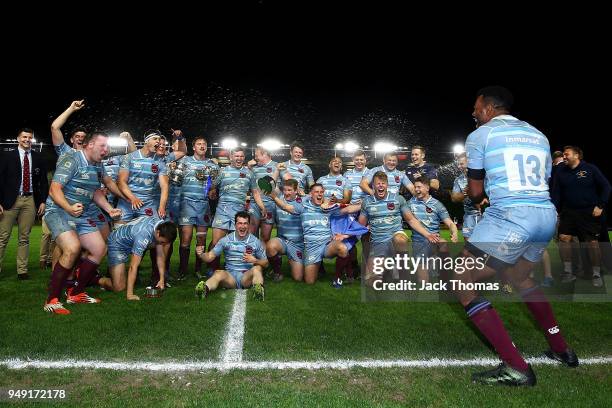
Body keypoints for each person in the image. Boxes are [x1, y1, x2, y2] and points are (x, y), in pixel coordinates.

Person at [457, 86, 577, 386]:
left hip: (511, 217)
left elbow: (474, 191)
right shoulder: (539, 135)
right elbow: (541, 180)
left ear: (488, 108)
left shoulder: (480, 136)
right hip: (545, 216)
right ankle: (562, 349)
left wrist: (480, 200)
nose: (473, 113)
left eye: (476, 107)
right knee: (520, 278)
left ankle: (516, 367)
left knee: (460, 278)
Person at [42, 131, 120, 314]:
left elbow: (95, 192)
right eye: (102, 146)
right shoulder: (72, 159)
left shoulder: (98, 165)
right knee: (72, 248)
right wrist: (68, 208)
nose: (106, 150)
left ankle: (75, 293)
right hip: (59, 210)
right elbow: (54, 189)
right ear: (90, 145)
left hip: (81, 213)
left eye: (107, 147)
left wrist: (109, 209)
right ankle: (51, 300)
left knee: (100, 249)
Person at [359, 171, 440, 287]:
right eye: (377, 183)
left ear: (387, 185)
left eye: (383, 183)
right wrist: (345, 235)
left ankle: (403, 276)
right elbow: (360, 225)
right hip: (378, 242)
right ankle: (388, 267)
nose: (381, 186)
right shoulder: (367, 202)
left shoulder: (398, 199)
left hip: (395, 236)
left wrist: (427, 234)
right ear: (373, 186)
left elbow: (411, 220)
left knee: (400, 240)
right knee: (370, 282)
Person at [552, 146, 611, 286]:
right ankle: (568, 272)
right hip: (568, 212)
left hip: (588, 212)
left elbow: (606, 186)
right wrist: (554, 209)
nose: (564, 157)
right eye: (563, 155)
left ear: (577, 155)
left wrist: (600, 205)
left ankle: (596, 274)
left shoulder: (590, 168)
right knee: (563, 239)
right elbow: (556, 192)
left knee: (591, 243)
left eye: (567, 154)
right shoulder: (560, 171)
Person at [207, 147, 266, 273]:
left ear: (244, 158)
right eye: (236, 156)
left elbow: (255, 192)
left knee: (238, 242)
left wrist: (262, 207)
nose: (239, 158)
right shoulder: (222, 171)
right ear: (231, 157)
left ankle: (236, 268)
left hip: (238, 212)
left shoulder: (249, 173)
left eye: (241, 156)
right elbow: (212, 186)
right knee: (216, 241)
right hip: (222, 210)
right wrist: (211, 190)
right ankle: (213, 268)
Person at [0, 128, 49, 279]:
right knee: (2, 237)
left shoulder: (38, 157)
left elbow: (43, 181)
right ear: (18, 138)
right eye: (24, 137)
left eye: (29, 137)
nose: (27, 139)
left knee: (24, 237)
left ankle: (22, 270)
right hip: (9, 200)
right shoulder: (7, 156)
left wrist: (42, 201)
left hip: (30, 200)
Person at [195, 211, 267, 300]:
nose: (242, 226)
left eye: (245, 223)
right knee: (218, 273)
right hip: (230, 278)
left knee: (257, 268)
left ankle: (258, 292)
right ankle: (204, 289)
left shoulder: (255, 241)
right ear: (235, 225)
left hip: (246, 277)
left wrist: (255, 260)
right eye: (240, 223)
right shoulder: (226, 240)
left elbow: (266, 263)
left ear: (248, 225)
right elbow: (210, 257)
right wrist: (201, 254)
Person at [104, 217, 177, 300]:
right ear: (158, 232)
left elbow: (160, 256)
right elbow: (133, 266)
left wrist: (161, 279)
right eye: (162, 242)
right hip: (117, 243)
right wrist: (130, 294)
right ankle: (96, 279)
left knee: (157, 246)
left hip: (130, 239)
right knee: (119, 287)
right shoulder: (143, 235)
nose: (163, 244)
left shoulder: (161, 225)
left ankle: (114, 273)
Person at [178, 136, 218, 279]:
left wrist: (211, 191)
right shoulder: (185, 161)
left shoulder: (212, 165)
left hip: (203, 205)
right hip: (187, 204)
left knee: (201, 240)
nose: (202, 146)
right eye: (199, 144)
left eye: (204, 144)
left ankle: (197, 269)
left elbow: (211, 185)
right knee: (186, 237)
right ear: (193, 147)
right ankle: (182, 270)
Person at [409, 176, 458, 283]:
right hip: (418, 243)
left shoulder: (437, 204)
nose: (416, 190)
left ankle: (445, 276)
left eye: (419, 187)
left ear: (427, 188)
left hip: (434, 243)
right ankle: (431, 266)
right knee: (423, 281)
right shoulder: (410, 203)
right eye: (415, 187)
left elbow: (449, 222)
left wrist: (454, 233)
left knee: (443, 243)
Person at [266, 179, 305, 281]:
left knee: (298, 278)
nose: (286, 193)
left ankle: (293, 261)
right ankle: (277, 272)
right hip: (282, 240)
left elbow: (288, 208)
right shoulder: (279, 199)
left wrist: (274, 197)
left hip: (296, 244)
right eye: (285, 190)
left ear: (296, 191)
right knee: (271, 245)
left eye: (290, 190)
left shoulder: (302, 201)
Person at [247, 146, 278, 246]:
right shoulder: (253, 168)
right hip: (254, 203)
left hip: (270, 204)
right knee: (251, 234)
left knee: (265, 237)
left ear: (264, 154)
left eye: (257, 156)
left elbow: (286, 181)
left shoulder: (277, 166)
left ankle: (262, 260)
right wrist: (249, 168)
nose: (255, 158)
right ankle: (250, 260)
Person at [451, 152, 484, 240]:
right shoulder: (459, 180)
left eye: (461, 164)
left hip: (485, 216)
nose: (459, 166)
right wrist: (466, 193)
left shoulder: (483, 175)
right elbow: (454, 198)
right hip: (469, 216)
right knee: (468, 246)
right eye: (458, 164)